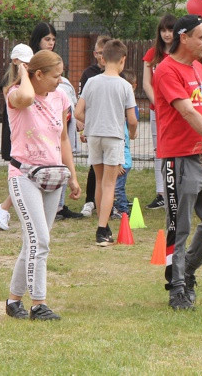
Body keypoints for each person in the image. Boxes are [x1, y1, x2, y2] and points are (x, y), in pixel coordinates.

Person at [4, 50, 81, 320]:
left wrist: (72, 174)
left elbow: (62, 139)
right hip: (24, 176)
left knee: (33, 243)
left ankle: (13, 301)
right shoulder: (16, 94)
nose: (60, 81)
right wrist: (23, 72)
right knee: (40, 240)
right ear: (38, 74)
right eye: (56, 76)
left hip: (53, 177)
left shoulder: (59, 97)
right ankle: (38, 304)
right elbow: (26, 96)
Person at [154, 14, 202, 310]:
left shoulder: (198, 68)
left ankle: (186, 271)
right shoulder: (166, 71)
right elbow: (188, 113)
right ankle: (177, 288)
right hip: (179, 159)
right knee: (180, 225)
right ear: (184, 38)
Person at [75, 39, 138, 246]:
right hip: (113, 137)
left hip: (94, 136)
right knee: (110, 183)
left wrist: (88, 124)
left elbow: (77, 112)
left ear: (103, 58)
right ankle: (102, 229)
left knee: (100, 181)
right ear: (123, 60)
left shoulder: (92, 82)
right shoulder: (125, 86)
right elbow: (132, 119)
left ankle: (103, 222)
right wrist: (134, 133)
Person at [0, 44, 35, 230]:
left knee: (28, 172)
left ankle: (5, 207)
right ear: (15, 61)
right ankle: (4, 207)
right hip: (16, 131)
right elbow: (22, 101)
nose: (27, 67)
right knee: (21, 172)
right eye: (24, 63)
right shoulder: (9, 84)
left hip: (30, 131)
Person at [142, 14, 176, 210]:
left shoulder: (182, 53)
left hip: (178, 110)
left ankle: (176, 191)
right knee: (159, 151)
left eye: (170, 30)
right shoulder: (152, 54)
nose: (166, 34)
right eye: (163, 30)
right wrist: (160, 105)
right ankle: (161, 193)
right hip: (158, 111)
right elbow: (147, 83)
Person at [78, 35, 111, 217]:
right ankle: (90, 201)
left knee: (113, 166)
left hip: (111, 127)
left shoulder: (118, 75)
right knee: (95, 166)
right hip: (94, 126)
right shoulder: (88, 74)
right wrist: (83, 126)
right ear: (95, 54)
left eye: (106, 53)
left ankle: (111, 201)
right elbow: (81, 103)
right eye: (99, 53)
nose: (102, 57)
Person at [112, 70, 139, 218]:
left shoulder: (120, 125)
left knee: (118, 188)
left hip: (122, 162)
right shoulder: (122, 123)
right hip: (122, 160)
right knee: (117, 187)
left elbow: (121, 144)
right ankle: (118, 208)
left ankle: (123, 211)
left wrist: (118, 163)